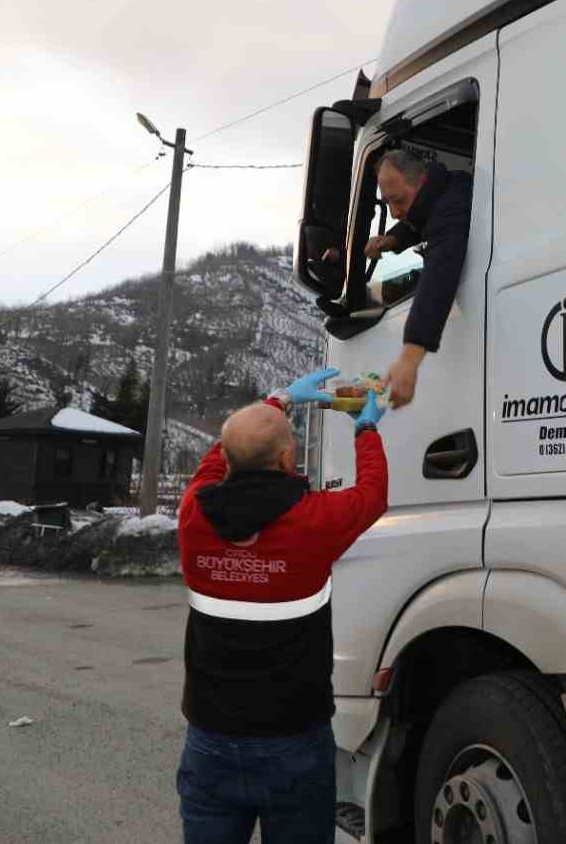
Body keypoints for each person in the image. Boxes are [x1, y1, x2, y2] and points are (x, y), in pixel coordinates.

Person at [174, 368, 385, 844]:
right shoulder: (313, 521)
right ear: (289, 457)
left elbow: (212, 465)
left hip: (210, 740)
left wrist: (278, 400)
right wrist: (366, 428)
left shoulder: (193, 515)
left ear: (227, 458)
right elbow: (372, 496)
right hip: (294, 740)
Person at [364, 150, 472, 407]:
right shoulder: (448, 187)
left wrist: (409, 359)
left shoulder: (453, 206)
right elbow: (423, 215)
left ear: (421, 182)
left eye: (397, 200)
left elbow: (439, 276)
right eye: (387, 203)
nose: (393, 213)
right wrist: (393, 239)